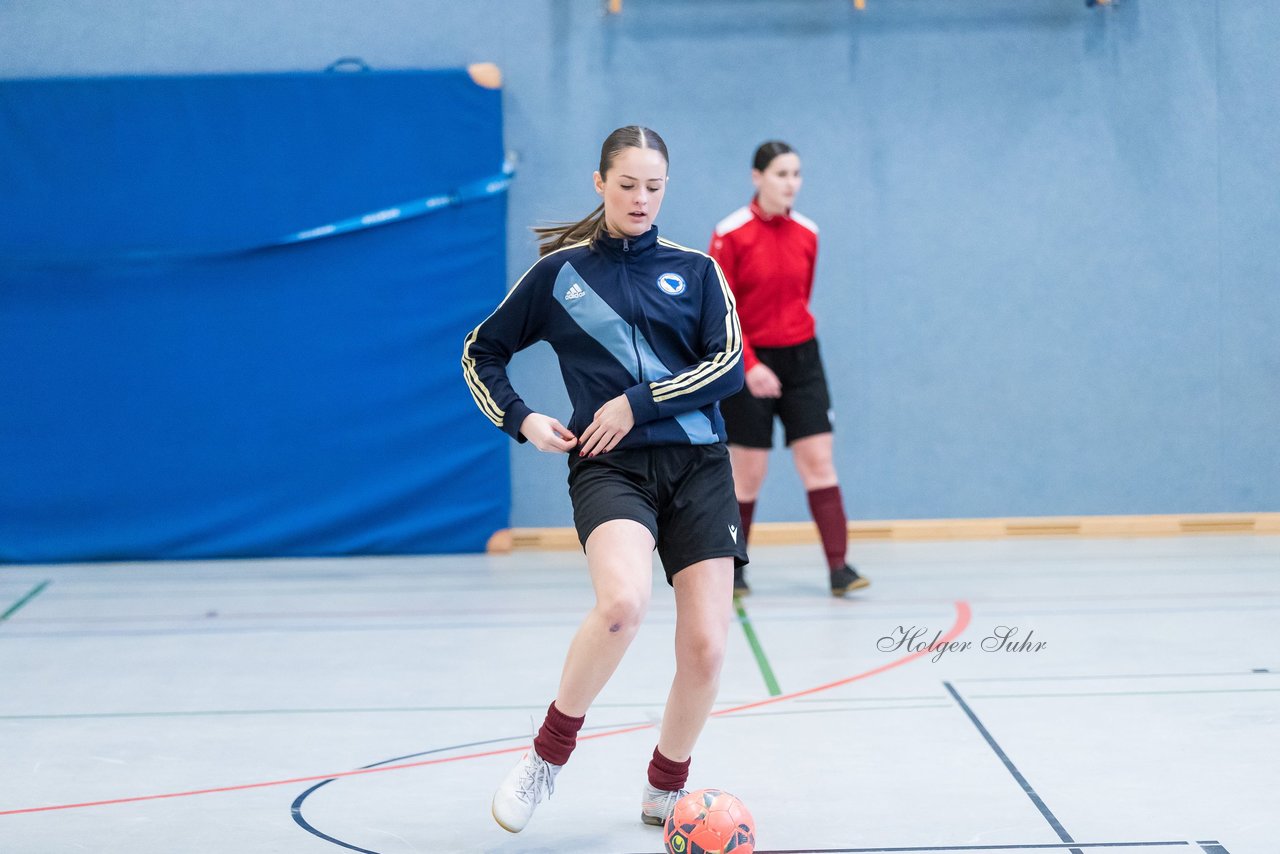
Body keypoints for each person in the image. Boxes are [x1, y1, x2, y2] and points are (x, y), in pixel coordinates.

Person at [461, 126, 747, 834]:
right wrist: (521, 419)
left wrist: (637, 402)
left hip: (700, 466)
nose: (641, 199)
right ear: (599, 184)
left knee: (707, 649)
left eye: (654, 187)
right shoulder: (559, 276)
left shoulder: (699, 271)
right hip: (609, 467)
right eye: (627, 185)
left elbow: (730, 366)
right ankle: (546, 759)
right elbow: (480, 352)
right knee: (622, 605)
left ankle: (662, 788)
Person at [708, 140, 869, 598]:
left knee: (819, 463)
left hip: (802, 359)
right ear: (757, 177)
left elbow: (802, 298)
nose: (791, 183)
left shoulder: (809, 233)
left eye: (797, 174)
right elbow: (721, 313)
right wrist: (752, 365)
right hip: (747, 359)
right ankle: (734, 571)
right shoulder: (730, 233)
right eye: (781, 174)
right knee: (748, 473)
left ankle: (839, 569)